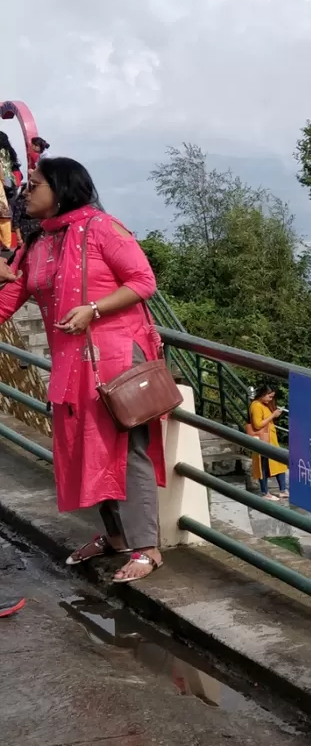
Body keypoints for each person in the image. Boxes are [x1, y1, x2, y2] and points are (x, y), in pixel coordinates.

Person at [0, 157, 167, 582]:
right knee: (87, 450)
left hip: (116, 360)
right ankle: (115, 538)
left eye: (34, 185)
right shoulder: (38, 243)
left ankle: (147, 548)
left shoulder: (103, 228)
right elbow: (9, 299)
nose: (25, 191)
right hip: (73, 364)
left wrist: (93, 309)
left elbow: (143, 280)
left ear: (61, 189)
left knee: (128, 452)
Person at [247, 383, 289, 501]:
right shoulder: (256, 406)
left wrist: (275, 415)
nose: (271, 399)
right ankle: (265, 492)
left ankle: (283, 490)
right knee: (263, 466)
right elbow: (257, 424)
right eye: (269, 397)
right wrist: (273, 415)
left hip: (270, 439)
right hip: (262, 439)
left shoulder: (263, 405)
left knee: (279, 463)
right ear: (263, 395)